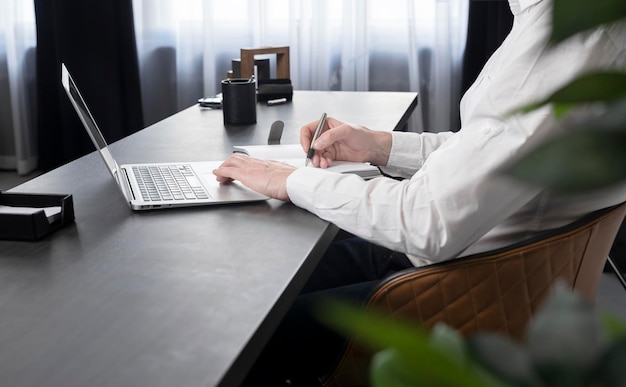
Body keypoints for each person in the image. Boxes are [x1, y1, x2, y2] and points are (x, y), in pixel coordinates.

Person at [213, 0, 626, 385]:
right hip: (475, 267)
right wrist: (377, 145)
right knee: (259, 285)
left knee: (240, 335)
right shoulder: (566, 22)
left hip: (458, 294)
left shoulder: (563, 42)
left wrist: (289, 180)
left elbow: (427, 223)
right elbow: (487, 152)